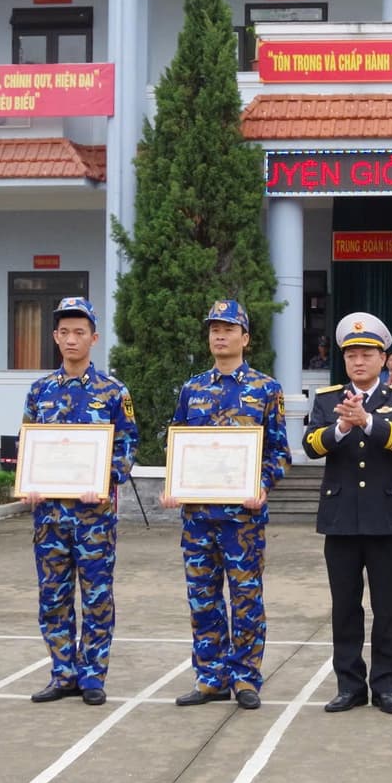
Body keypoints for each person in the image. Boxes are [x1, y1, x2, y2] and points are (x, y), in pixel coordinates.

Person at [163, 298, 291, 710]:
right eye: (215, 328)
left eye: (229, 328)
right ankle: (210, 678)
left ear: (245, 338)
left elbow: (279, 451)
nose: (220, 335)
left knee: (245, 599)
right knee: (202, 598)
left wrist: (263, 485)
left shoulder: (265, 389)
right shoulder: (192, 389)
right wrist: (173, 485)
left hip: (243, 518)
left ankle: (245, 678)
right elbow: (178, 446)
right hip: (198, 517)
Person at [21, 297, 139, 707]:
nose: (71, 339)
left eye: (79, 332)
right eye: (64, 332)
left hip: (93, 516)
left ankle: (92, 676)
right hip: (49, 517)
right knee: (52, 597)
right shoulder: (40, 391)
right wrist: (29, 482)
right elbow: (29, 445)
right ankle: (62, 673)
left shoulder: (112, 392)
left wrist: (105, 480)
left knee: (96, 597)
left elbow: (127, 446)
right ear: (55, 337)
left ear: (94, 337)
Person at [303, 312, 392, 714]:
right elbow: (311, 445)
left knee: (388, 606)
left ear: (383, 357)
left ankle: (387, 685)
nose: (358, 361)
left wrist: (368, 421)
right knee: (345, 606)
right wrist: (342, 429)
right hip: (341, 518)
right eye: (351, 354)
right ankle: (349, 684)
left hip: (387, 517)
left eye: (367, 353)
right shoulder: (326, 399)